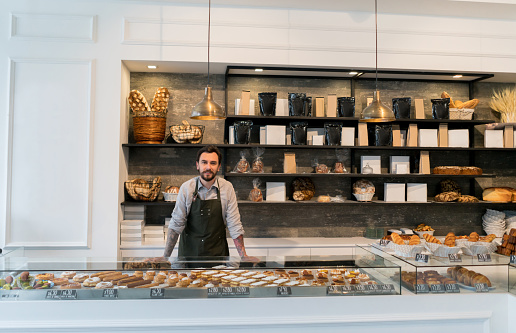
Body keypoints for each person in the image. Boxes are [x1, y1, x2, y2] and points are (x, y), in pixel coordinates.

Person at [151, 145, 256, 262]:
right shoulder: (187, 188)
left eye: (213, 163)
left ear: (219, 166)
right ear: (197, 165)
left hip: (218, 256)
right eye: (204, 162)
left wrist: (243, 256)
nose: (208, 167)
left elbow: (234, 225)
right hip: (188, 256)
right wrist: (165, 257)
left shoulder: (227, 188)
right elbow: (176, 224)